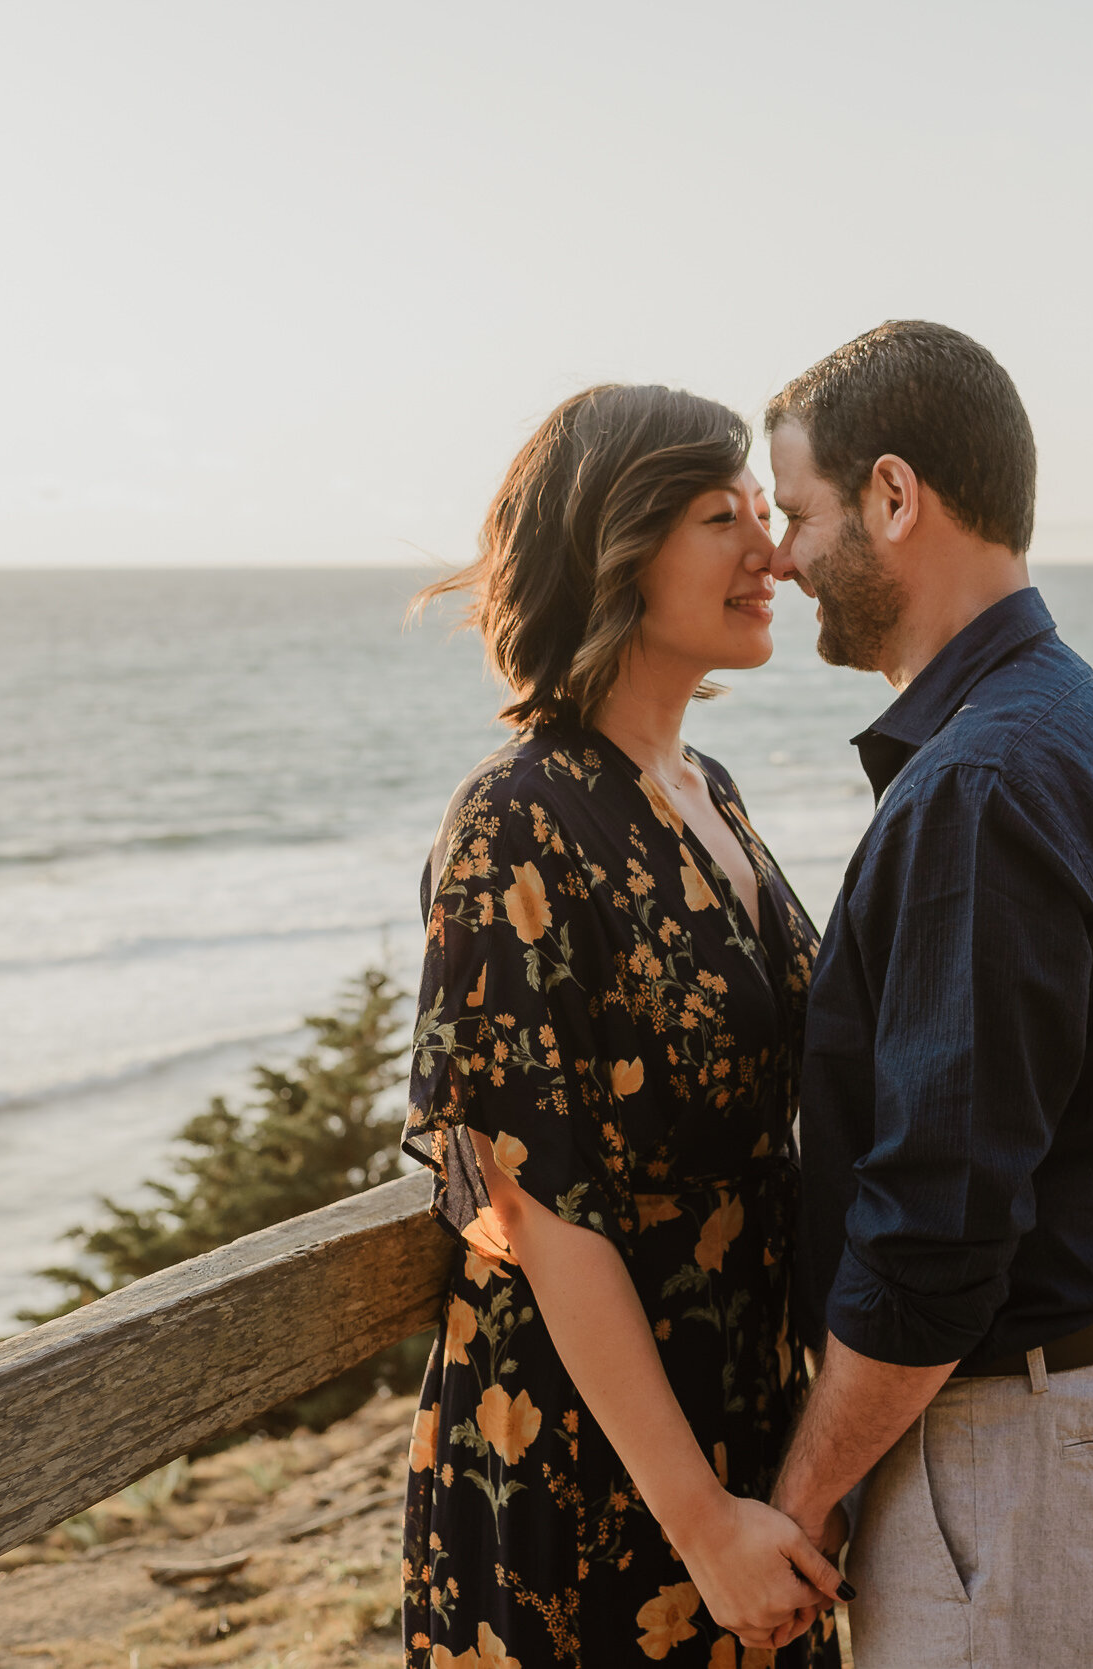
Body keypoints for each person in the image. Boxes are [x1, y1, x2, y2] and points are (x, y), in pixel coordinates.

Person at [761, 321, 1093, 1667]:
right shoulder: (1070, 716)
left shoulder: (981, 781)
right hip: (1085, 1402)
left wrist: (805, 1498)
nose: (784, 556)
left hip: (1016, 1433)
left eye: (800, 510)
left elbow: (941, 1226)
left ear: (894, 496)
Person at [400, 384, 844, 1667]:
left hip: (741, 1422)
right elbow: (535, 1201)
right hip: (592, 1474)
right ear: (615, 546)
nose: (772, 553)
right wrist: (700, 1521)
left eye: (765, 512)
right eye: (724, 518)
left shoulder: (710, 791)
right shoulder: (518, 819)